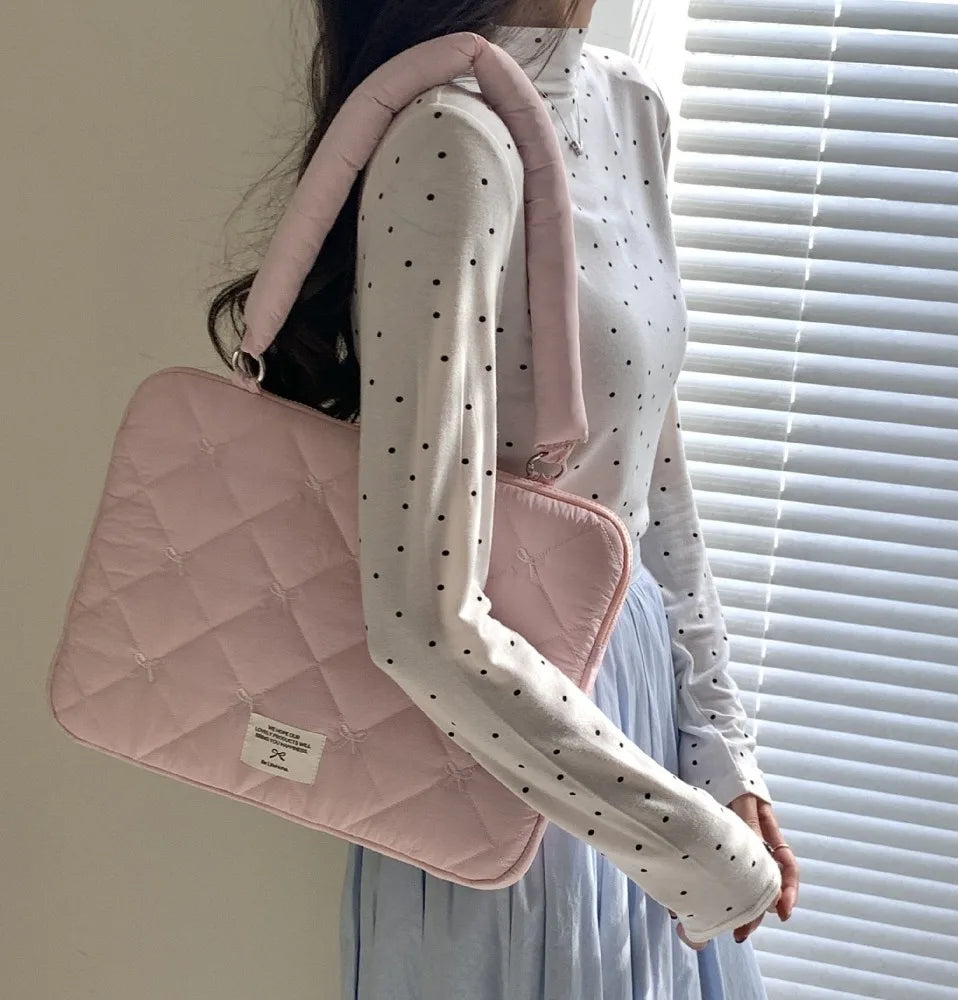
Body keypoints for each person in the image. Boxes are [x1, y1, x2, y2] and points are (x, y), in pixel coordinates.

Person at [208, 0, 801, 996]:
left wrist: (718, 749)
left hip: (635, 716)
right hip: (508, 746)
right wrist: (687, 844)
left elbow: (656, 476)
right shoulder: (450, 139)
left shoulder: (628, 105)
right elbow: (422, 624)